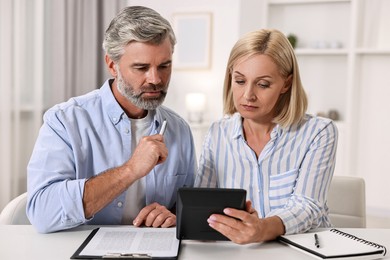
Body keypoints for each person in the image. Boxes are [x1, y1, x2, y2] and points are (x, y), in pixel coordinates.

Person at [27, 6, 196, 233]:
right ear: (111, 65)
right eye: (141, 67)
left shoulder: (180, 130)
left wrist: (174, 217)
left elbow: (187, 211)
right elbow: (42, 213)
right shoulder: (65, 121)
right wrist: (130, 170)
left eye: (164, 66)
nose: (156, 79)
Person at [195, 29, 338, 244]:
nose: (248, 95)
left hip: (304, 249)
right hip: (238, 253)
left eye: (262, 84)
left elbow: (308, 206)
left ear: (286, 84)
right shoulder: (217, 134)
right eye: (240, 81)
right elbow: (200, 203)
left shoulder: (318, 132)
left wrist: (262, 229)